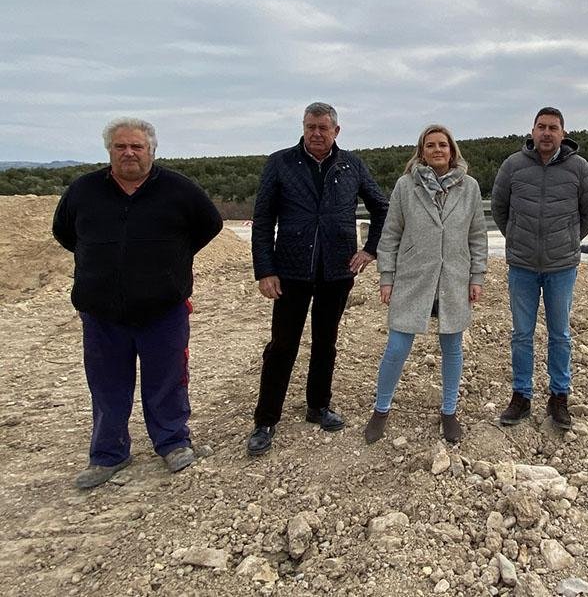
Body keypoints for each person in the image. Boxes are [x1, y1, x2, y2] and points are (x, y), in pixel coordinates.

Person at [52, 118, 223, 489]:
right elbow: (64, 232)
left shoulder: (178, 189)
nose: (128, 153)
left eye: (137, 147)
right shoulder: (84, 191)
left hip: (163, 309)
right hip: (101, 312)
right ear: (109, 151)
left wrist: (174, 259)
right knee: (106, 384)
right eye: (120, 146)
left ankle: (173, 442)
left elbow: (210, 224)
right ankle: (108, 454)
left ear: (151, 150)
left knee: (167, 380)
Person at [247, 102, 388, 456]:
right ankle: (265, 420)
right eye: (310, 126)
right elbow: (262, 220)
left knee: (326, 342)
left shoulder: (351, 165)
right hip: (290, 272)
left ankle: (318, 406)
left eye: (323, 127)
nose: (316, 133)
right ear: (303, 127)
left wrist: (370, 250)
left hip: (336, 272)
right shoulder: (280, 162)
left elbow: (382, 207)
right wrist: (265, 270)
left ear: (336, 131)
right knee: (282, 346)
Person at [365, 125, 488, 444]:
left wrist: (477, 276)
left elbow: (477, 236)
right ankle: (381, 409)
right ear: (421, 152)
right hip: (413, 277)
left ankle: (449, 412)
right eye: (430, 145)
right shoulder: (406, 187)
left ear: (452, 150)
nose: (437, 150)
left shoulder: (469, 187)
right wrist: (386, 277)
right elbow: (390, 234)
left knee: (452, 348)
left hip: (453, 278)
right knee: (396, 347)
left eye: (443, 145)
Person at [491, 107, 588, 430]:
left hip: (561, 266)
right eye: (541, 127)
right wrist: (516, 238)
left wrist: (567, 240)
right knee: (521, 334)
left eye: (553, 127)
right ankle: (521, 396)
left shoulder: (579, 168)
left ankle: (559, 398)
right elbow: (499, 207)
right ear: (532, 130)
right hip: (522, 265)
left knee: (560, 335)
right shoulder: (513, 166)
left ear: (563, 133)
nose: (547, 133)